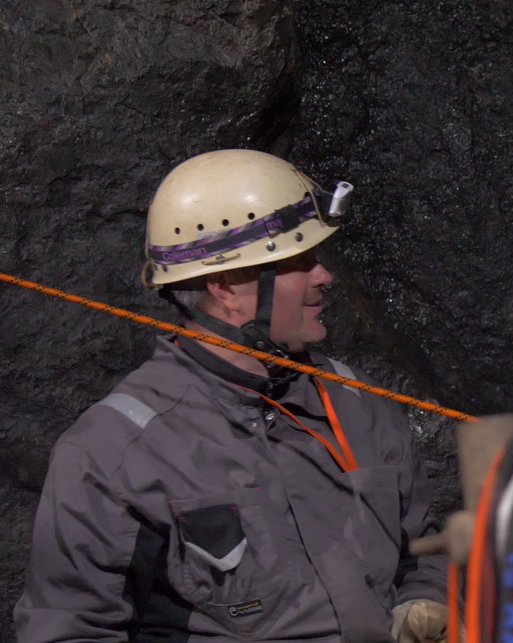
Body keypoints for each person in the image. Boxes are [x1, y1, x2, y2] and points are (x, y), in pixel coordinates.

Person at [14, 149, 452, 641]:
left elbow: (427, 547)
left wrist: (425, 601)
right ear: (225, 286)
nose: (324, 276)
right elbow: (70, 628)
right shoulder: (114, 452)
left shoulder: (357, 404)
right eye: (299, 261)